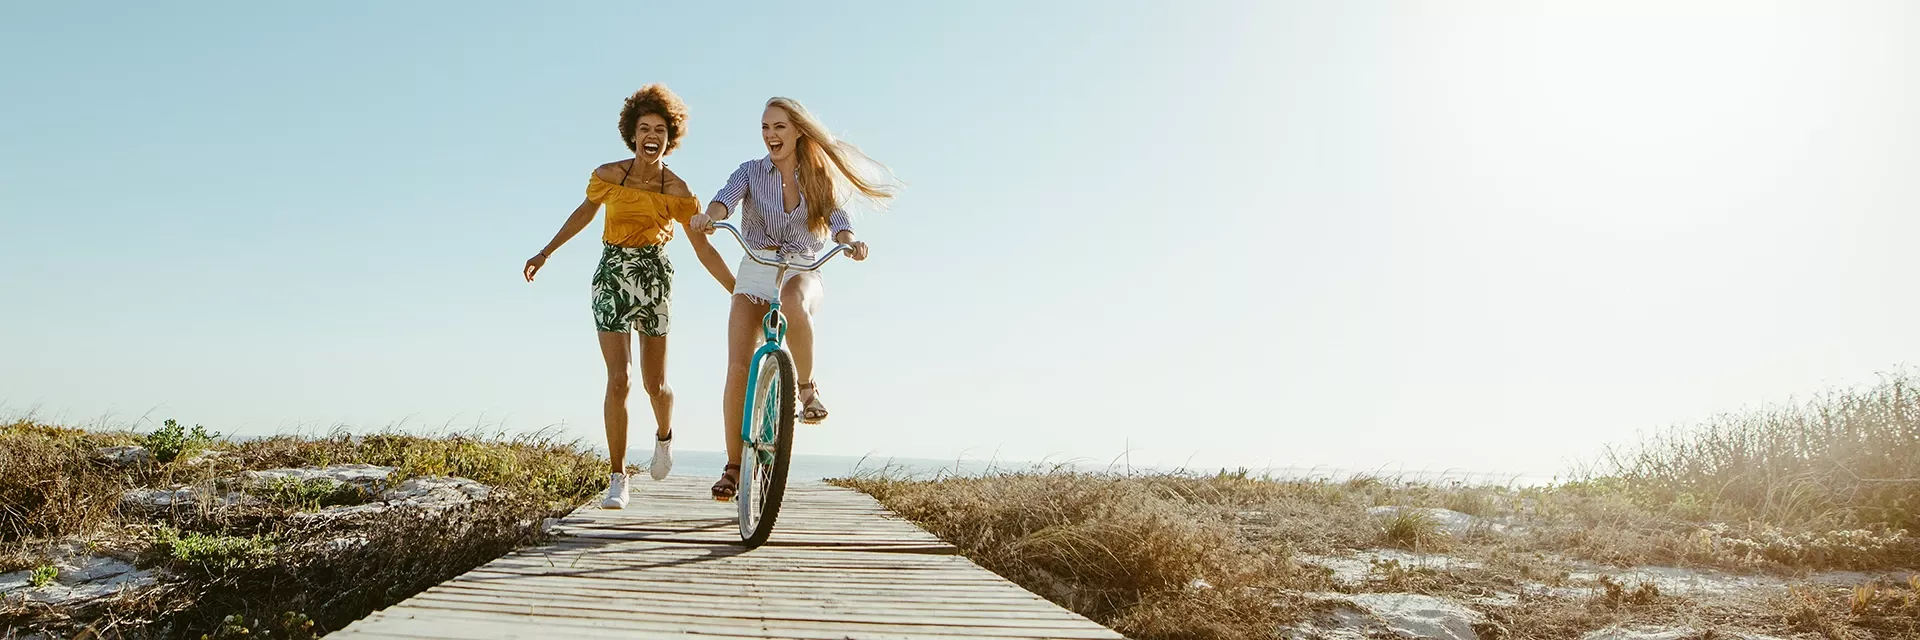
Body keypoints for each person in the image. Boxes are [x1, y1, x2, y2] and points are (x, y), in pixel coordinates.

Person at [524, 84, 733, 509]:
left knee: (655, 385)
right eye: (644, 128)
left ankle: (663, 437)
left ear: (669, 137)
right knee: (619, 379)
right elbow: (584, 212)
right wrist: (546, 252)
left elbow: (702, 247)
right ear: (632, 133)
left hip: (654, 277)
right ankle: (617, 477)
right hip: (611, 275)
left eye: (659, 128)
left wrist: (737, 290)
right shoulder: (608, 176)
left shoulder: (676, 190)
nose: (651, 135)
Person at [688, 96, 899, 501]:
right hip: (756, 265)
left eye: (779, 127)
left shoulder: (817, 176)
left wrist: (850, 242)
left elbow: (838, 219)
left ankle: (805, 389)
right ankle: (733, 467)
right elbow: (723, 200)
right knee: (737, 368)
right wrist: (711, 218)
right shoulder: (750, 172)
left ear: (798, 130)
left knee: (792, 303)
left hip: (802, 267)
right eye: (766, 128)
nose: (771, 135)